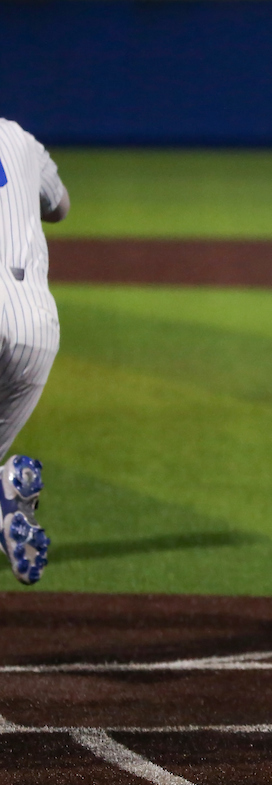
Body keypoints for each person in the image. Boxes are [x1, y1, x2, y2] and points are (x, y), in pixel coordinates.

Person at [0, 118, 70, 585]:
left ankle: (5, 496)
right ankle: (7, 508)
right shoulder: (19, 137)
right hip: (35, 329)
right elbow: (61, 207)